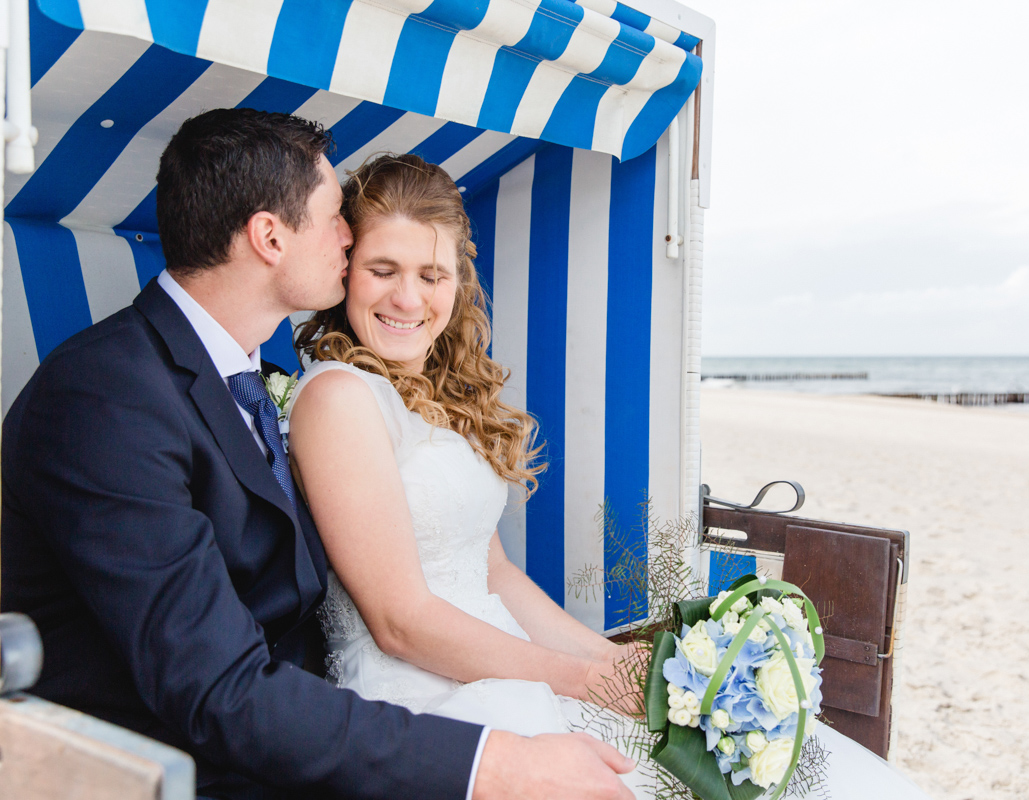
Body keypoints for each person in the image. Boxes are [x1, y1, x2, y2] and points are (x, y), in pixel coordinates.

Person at [0, 108, 634, 800]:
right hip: (174, 771)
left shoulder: (236, 380)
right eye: (335, 215)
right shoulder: (107, 396)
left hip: (295, 733)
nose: (348, 234)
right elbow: (216, 690)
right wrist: (495, 763)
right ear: (270, 236)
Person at [287, 153, 935, 800]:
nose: (407, 297)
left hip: (504, 672)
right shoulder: (341, 397)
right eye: (383, 270)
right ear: (347, 271)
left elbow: (495, 576)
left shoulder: (439, 396)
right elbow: (400, 620)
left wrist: (612, 660)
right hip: (426, 712)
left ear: (459, 282)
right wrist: (581, 680)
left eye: (431, 274)